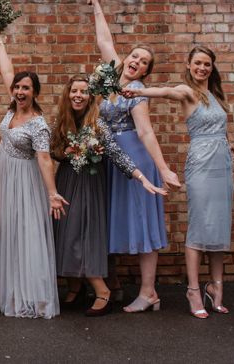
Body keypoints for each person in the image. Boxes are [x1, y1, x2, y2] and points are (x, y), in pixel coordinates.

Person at [123, 46, 233, 319]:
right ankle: (194, 290)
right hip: (201, 164)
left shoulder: (216, 94)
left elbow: (220, 127)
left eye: (207, 64)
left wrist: (228, 145)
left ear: (212, 67)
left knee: (219, 227)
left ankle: (216, 288)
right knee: (199, 226)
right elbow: (165, 91)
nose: (202, 68)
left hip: (222, 165)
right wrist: (138, 92)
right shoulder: (187, 91)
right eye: (197, 63)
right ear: (189, 64)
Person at [89, 0, 181, 312]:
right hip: (110, 160)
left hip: (136, 158)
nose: (136, 62)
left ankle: (148, 292)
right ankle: (112, 286)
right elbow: (104, 40)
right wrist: (97, 4)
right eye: (135, 56)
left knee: (143, 224)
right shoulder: (111, 74)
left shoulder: (137, 91)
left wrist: (164, 168)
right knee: (111, 221)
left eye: (143, 62)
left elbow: (145, 132)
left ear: (144, 73)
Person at [51, 75, 167, 317]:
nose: (78, 95)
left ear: (90, 97)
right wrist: (66, 152)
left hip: (89, 183)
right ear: (68, 93)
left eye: (83, 91)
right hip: (66, 180)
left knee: (81, 233)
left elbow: (117, 154)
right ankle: (74, 287)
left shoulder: (97, 124)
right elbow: (54, 151)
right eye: (74, 91)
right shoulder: (62, 120)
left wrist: (143, 178)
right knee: (64, 230)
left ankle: (102, 291)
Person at [0, 30, 67, 319]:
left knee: (28, 233)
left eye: (26, 89)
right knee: (10, 232)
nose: (20, 92)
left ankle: (34, 296)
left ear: (35, 93)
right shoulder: (11, 110)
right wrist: (0, 44)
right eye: (17, 88)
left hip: (27, 182)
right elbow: (7, 71)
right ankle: (12, 291)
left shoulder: (38, 124)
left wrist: (52, 193)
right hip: (6, 178)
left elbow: (45, 159)